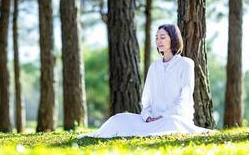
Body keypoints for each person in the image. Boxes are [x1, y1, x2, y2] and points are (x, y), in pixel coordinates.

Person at [77, 24, 212, 139]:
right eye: (156, 38)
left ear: (174, 39)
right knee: (119, 118)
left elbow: (185, 97)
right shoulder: (154, 66)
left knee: (172, 123)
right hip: (151, 119)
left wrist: (162, 116)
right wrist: (147, 116)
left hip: (174, 118)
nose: (159, 41)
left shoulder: (186, 63)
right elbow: (146, 97)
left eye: (163, 37)